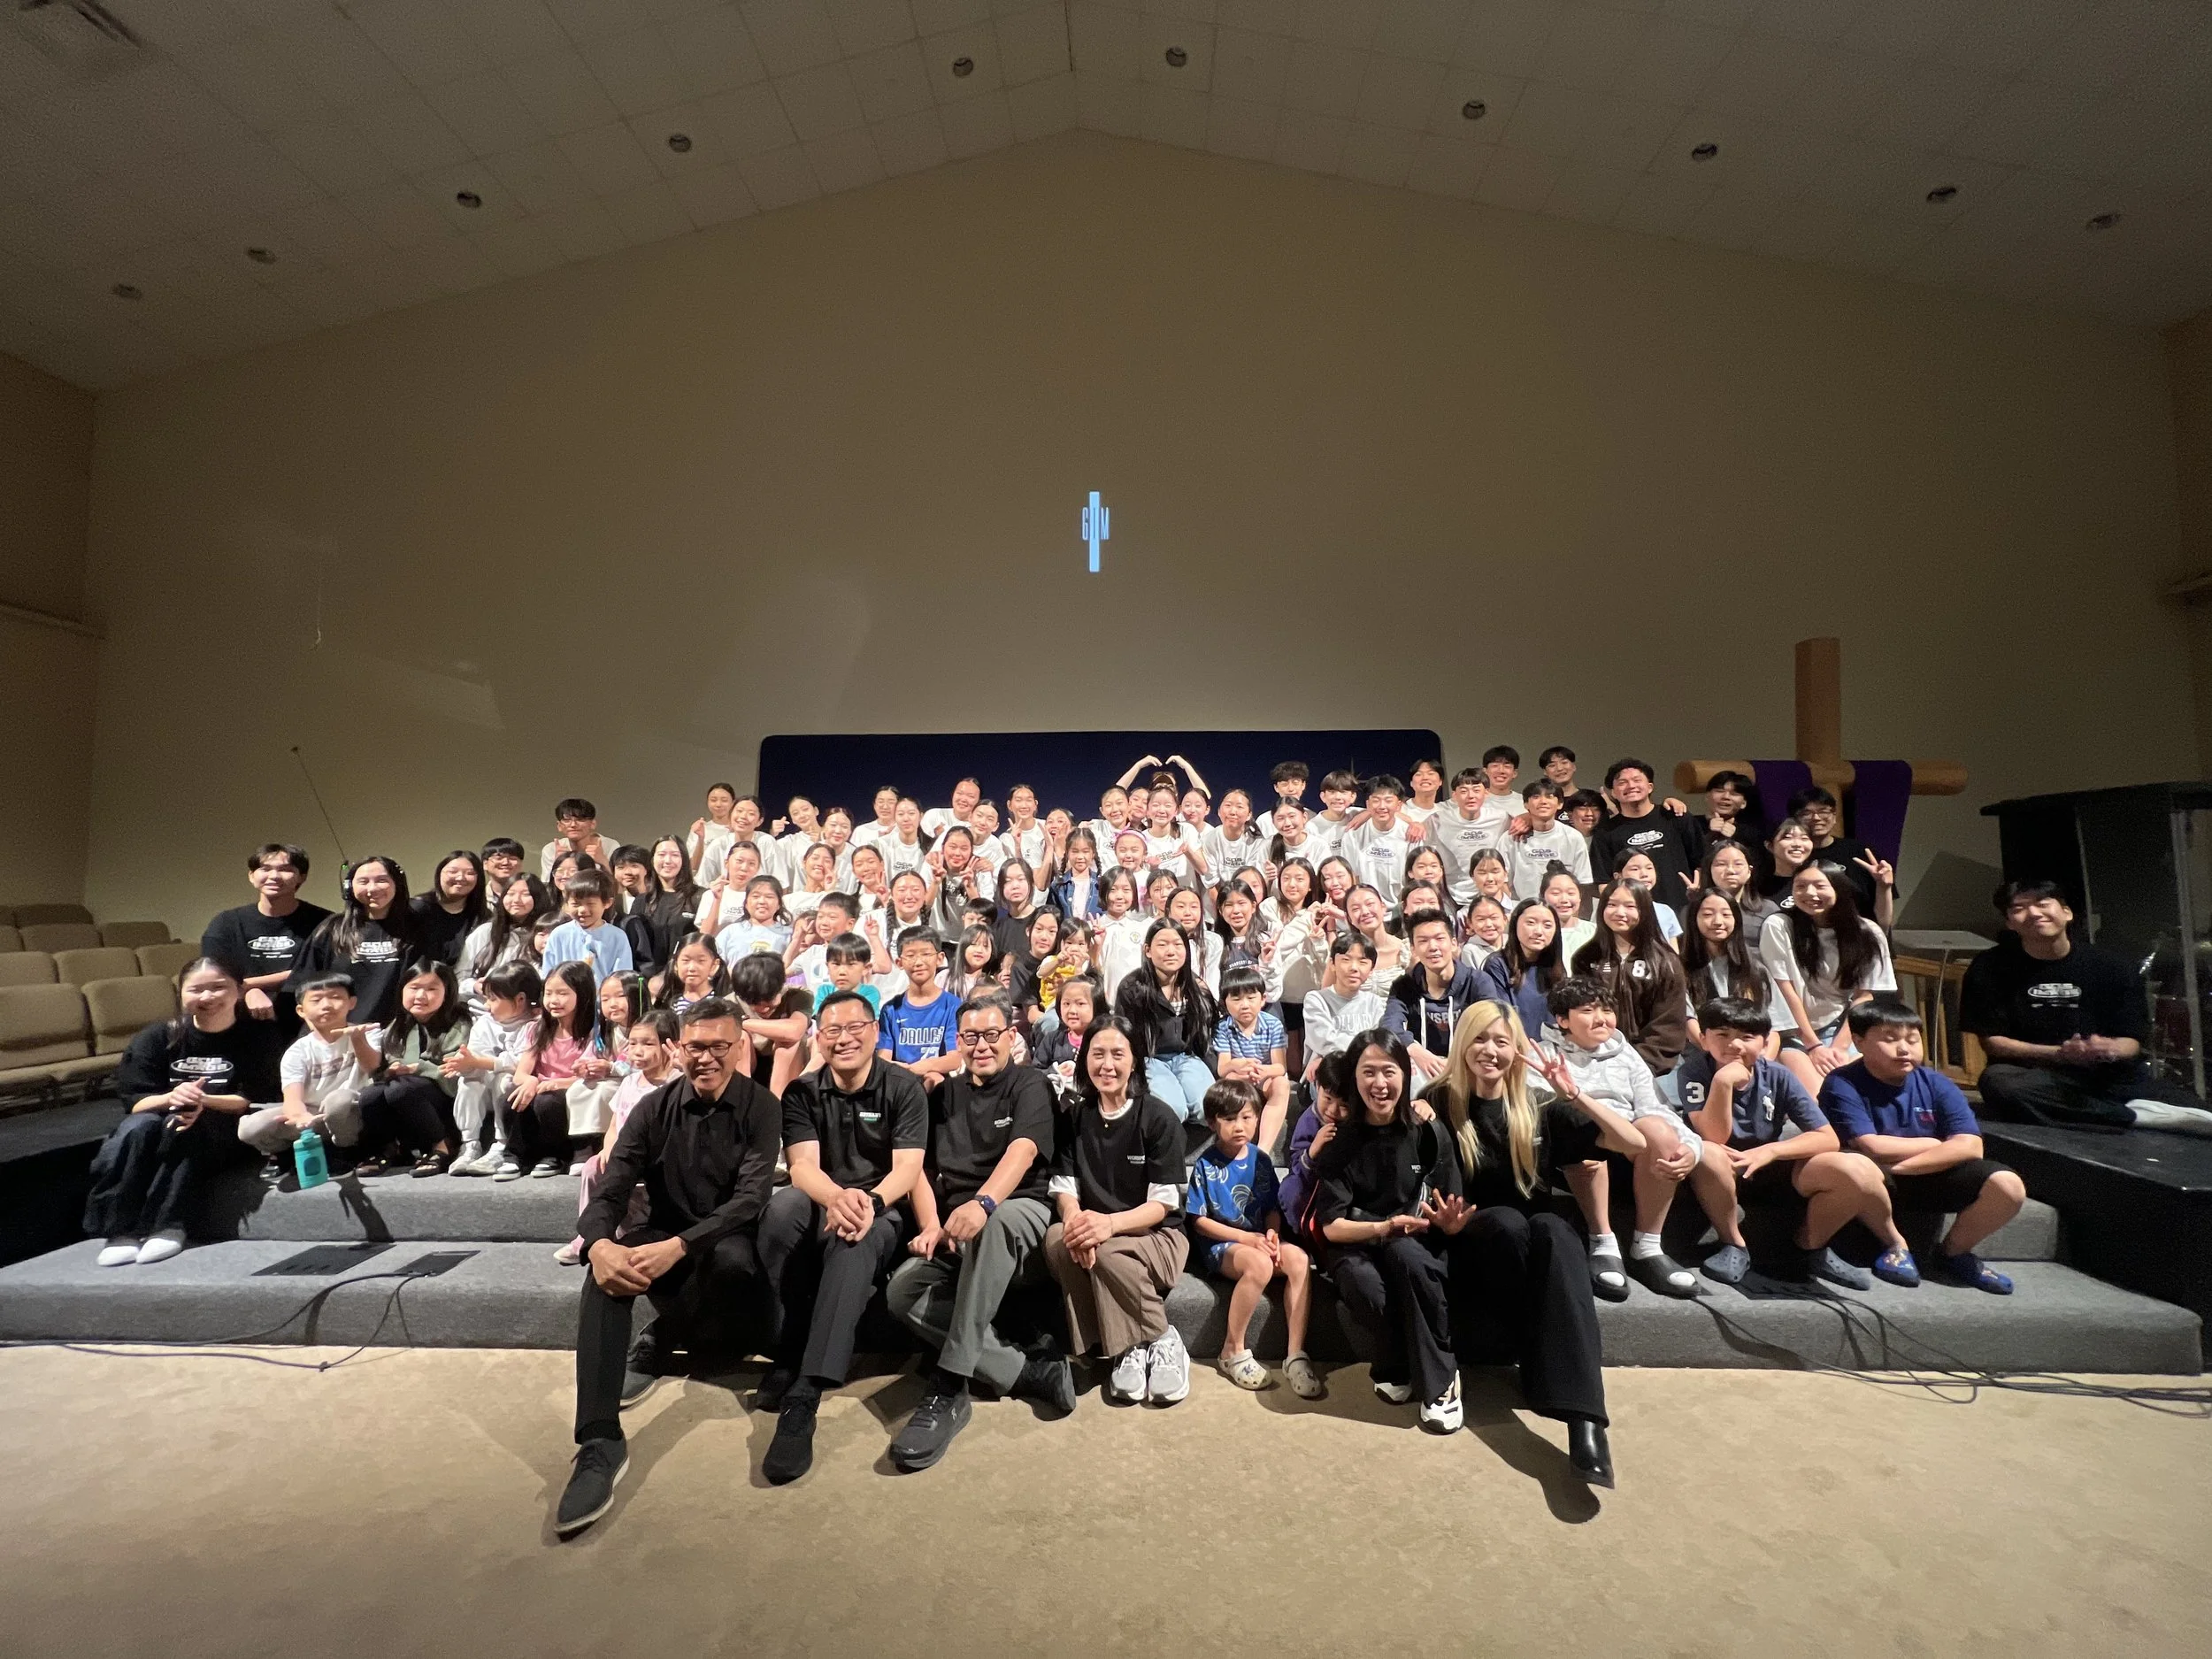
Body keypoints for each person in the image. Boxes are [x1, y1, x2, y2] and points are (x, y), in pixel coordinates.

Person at [556, 997, 782, 1536]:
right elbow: (611, 1190)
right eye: (696, 1047)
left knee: (729, 1260)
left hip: (731, 1244)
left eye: (720, 1046)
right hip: (667, 1239)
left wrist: (680, 1245)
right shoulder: (651, 1109)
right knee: (606, 1274)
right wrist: (598, 1245)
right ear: (678, 1049)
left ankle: (670, 1334)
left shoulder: (761, 1107)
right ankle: (599, 1440)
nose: (707, 1058)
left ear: (739, 1047)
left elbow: (749, 1200)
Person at [1426, 1001, 1642, 1486]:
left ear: (1517, 1049)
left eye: (1502, 1041)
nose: (1491, 1051)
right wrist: (1446, 1223)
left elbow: (1636, 1145)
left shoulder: (1538, 1104)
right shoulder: (1438, 1103)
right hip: (1472, 1244)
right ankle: (1540, 1358)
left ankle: (1586, 1422)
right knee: (1507, 1222)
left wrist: (1577, 1094)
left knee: (1558, 1231)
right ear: (1463, 1043)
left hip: (1532, 1248)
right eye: (1480, 1039)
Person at [885, 994, 1076, 1470]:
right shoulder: (941, 1095)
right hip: (954, 1225)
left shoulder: (1030, 1083)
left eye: (992, 1035)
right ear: (958, 1041)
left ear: (1012, 1038)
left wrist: (983, 1203)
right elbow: (920, 1171)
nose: (981, 1046)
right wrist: (931, 1225)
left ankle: (949, 1387)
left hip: (1019, 1212)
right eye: (970, 1037)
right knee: (903, 1289)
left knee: (996, 1226)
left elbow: (1025, 1150)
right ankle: (1023, 1371)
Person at [754, 988, 928, 1483]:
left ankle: (804, 1396)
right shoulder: (803, 1092)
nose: (845, 1038)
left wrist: (867, 1203)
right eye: (833, 1029)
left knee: (854, 1240)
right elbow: (802, 1165)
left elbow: (908, 1169)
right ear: (819, 1037)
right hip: (823, 1197)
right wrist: (837, 1198)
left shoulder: (903, 1086)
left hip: (883, 1206)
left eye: (856, 1028)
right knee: (779, 1211)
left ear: (875, 1033)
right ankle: (786, 1349)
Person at [1676, 997, 1898, 1286]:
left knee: (1854, 1169)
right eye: (1723, 1035)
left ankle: (1810, 1246)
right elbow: (1713, 1136)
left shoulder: (1778, 1075)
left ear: (1765, 1042)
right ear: (1704, 1040)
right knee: (1709, 1153)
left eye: (1747, 1037)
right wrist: (1722, 1083)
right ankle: (1733, 1244)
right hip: (1720, 1166)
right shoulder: (1694, 1071)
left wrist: (1771, 1151)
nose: (1735, 1045)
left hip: (1770, 1163)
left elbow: (1827, 1137)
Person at [1963, 879, 2212, 1136]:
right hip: (2037, 1076)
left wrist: (2110, 1048)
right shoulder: (1989, 967)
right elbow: (1993, 1042)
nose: (2034, 913)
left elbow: (2133, 1042)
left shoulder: (2113, 967)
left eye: (2043, 904)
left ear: (2067, 912)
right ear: (2010, 923)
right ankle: (2133, 1116)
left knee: (2202, 1115)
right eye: (2019, 908)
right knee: (1998, 1083)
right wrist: (2060, 1053)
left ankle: (2116, 1110)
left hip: (2111, 1077)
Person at [1310, 1029, 1463, 1432]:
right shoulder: (1341, 1142)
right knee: (1363, 1283)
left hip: (1414, 1242)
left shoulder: (1428, 1129)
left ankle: (1442, 1383)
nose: (1379, 1084)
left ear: (1406, 1074)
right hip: (1358, 1240)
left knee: (1407, 1256)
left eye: (1389, 1072)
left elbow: (1448, 1204)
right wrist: (1385, 1227)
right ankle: (1397, 1361)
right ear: (1354, 1079)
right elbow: (1331, 1228)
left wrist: (1447, 1223)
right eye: (1368, 1072)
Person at [1819, 1000, 2028, 1294]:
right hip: (1873, 1187)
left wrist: (1901, 1166)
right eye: (1890, 1039)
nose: (1904, 1048)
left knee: (2008, 1185)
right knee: (1858, 1169)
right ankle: (1895, 1245)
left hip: (1918, 1174)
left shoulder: (1936, 1082)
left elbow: (1970, 1146)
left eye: (1912, 1039)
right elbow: (1872, 1145)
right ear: (1859, 1042)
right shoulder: (1842, 1083)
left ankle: (1953, 1253)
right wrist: (1932, 1143)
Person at [86, 957, 282, 1266]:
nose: (207, 998)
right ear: (181, 993)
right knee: (137, 1129)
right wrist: (171, 1097)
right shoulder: (156, 1038)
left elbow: (252, 1099)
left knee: (184, 1128)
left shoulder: (258, 1037)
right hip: (162, 1117)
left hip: (225, 1128)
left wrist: (203, 1101)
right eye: (196, 990)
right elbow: (136, 1102)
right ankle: (120, 1230)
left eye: (218, 988)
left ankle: (168, 1224)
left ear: (240, 990)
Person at [1044, 1014, 1192, 1405]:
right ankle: (1104, 1348)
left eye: (1117, 1054)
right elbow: (1064, 1188)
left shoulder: (1158, 1118)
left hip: (1158, 1237)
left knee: (1105, 1250)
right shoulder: (1075, 1116)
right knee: (1059, 1239)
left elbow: (1164, 1204)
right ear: (1084, 1060)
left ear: (1135, 1061)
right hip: (1097, 1229)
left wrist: (1107, 1224)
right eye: (1097, 1054)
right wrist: (1076, 1222)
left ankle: (1159, 1336)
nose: (1106, 1065)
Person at [1543, 975, 1709, 1300]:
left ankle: (1647, 1246)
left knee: (1658, 1130)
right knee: (1580, 1129)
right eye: (1588, 1010)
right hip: (1578, 1154)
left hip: (1635, 1153)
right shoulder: (1546, 1054)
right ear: (1563, 1020)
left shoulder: (1624, 1052)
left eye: (1606, 1009)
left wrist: (1690, 1147)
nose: (1601, 1018)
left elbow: (1657, 1108)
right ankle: (1602, 1241)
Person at [1185, 1077, 1322, 1397]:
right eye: (1230, 1118)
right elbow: (1199, 1221)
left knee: (1299, 1260)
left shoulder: (1261, 1160)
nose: (1240, 1126)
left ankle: (1295, 1354)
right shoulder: (1205, 1164)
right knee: (1260, 1265)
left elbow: (1272, 1206)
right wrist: (1249, 1240)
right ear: (1212, 1122)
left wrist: (1273, 1233)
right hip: (1224, 1245)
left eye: (1247, 1117)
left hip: (1259, 1239)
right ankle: (1232, 1349)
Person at [557, 1006, 680, 1266]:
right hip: (626, 1157)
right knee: (593, 1168)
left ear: (670, 1045)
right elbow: (615, 1124)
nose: (638, 1050)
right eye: (633, 1043)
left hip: (659, 1159)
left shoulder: (677, 1084)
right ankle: (589, 1235)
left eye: (648, 1043)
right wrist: (608, 1150)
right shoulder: (629, 1083)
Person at [1759, 860, 1896, 1092]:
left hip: (1842, 1027)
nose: (1809, 893)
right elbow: (1786, 991)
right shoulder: (1779, 925)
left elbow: (1864, 996)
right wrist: (1813, 1046)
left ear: (1839, 889)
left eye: (1819, 886)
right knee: (1820, 1098)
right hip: (1791, 1032)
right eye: (1800, 886)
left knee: (1864, 1089)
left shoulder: (1867, 932)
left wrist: (1839, 1048)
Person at [238, 972, 376, 1169]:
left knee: (338, 1101)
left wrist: (358, 1039)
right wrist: (299, 1117)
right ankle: (286, 1153)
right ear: (301, 1010)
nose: (326, 1005)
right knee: (251, 1127)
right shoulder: (297, 1051)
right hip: (314, 1117)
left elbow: (372, 1066)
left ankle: (347, 1152)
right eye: (316, 1000)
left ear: (352, 1002)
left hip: (353, 1115)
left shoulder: (367, 1032)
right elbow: (292, 1098)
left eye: (336, 997)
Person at [350, 958, 470, 1176]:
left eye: (432, 989)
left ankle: (442, 1146)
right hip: (405, 1090)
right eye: (414, 988)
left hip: (445, 1098)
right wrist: (391, 1071)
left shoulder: (460, 1023)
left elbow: (454, 1074)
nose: (420, 996)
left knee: (402, 1088)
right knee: (370, 1095)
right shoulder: (398, 1026)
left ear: (448, 992)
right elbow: (381, 1070)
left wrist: (418, 1068)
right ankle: (388, 1149)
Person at [199, 843, 331, 1033]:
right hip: (239, 1019)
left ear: (302, 877)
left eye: (285, 869)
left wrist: (249, 985)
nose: (274, 876)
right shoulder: (225, 923)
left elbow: (323, 972)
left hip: (307, 1021)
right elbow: (213, 975)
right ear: (251, 876)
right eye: (265, 869)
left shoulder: (324, 922)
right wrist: (249, 992)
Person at [1571, 878, 1689, 1082]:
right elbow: (1583, 1015)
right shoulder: (1585, 958)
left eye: (1630, 906)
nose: (1620, 912)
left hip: (1655, 1068)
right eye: (1612, 905)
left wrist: (1636, 1067)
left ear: (1644, 911)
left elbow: (1668, 1025)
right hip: (1598, 1063)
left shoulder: (1665, 962)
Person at [497, 958, 597, 1179]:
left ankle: (555, 1156)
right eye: (549, 993)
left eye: (562, 993)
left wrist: (555, 1084)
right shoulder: (537, 1029)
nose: (553, 1000)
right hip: (542, 1088)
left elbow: (589, 1075)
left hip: (571, 1091)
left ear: (582, 994)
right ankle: (514, 1156)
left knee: (548, 1102)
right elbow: (521, 1073)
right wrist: (531, 1082)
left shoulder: (593, 1032)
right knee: (511, 1099)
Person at [288, 855, 414, 1026]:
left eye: (382, 880)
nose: (373, 888)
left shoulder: (415, 928)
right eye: (363, 882)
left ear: (397, 884)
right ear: (349, 888)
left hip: (397, 1034)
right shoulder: (331, 929)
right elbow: (304, 981)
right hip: (336, 1033)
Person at [1112, 918, 1216, 1122]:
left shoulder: (1195, 986)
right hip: (1150, 1059)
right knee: (1174, 1111)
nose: (1171, 951)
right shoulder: (1131, 987)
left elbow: (1208, 1029)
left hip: (1187, 1057)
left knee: (1209, 1108)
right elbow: (1123, 1035)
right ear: (1148, 951)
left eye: (1178, 944)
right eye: (1162, 944)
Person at [447, 962, 543, 1175]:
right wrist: (463, 1064)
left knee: (505, 1079)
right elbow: (474, 1058)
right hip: (486, 1085)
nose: (488, 1006)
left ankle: (501, 1144)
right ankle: (470, 1143)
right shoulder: (484, 1024)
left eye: (493, 999)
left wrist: (480, 1063)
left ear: (520, 1000)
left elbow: (520, 1063)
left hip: (517, 1089)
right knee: (468, 1082)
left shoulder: (535, 1023)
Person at [1381, 908, 1484, 1085]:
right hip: (1423, 1072)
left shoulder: (1477, 981)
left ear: (1454, 943)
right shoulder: (1404, 986)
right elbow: (1390, 1025)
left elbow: (1494, 1024)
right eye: (1423, 941)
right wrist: (1418, 1053)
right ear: (1413, 949)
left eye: (1439, 938)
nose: (1433, 947)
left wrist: (1459, 1063)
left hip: (1470, 1068)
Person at [1588, 759, 1703, 909]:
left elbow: (1702, 859)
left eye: (1637, 780)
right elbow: (1604, 882)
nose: (1631, 786)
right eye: (1622, 782)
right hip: (1636, 915)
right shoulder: (1605, 832)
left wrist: (1698, 888)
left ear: (1650, 787)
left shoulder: (1675, 817)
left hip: (1684, 909)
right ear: (1613, 793)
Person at [1210, 964, 1291, 1152]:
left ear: (1262, 1000)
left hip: (1264, 1077)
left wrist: (1261, 1070)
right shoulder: (1222, 1027)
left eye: (1251, 998)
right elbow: (1223, 1068)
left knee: (1282, 1084)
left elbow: (1280, 1067)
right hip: (1239, 1079)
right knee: (1229, 1080)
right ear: (1225, 1002)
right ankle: (1236, 1147)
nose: (1244, 1005)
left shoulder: (1273, 1024)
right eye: (1236, 999)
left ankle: (1263, 1149)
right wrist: (1237, 1065)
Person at [879, 929, 964, 1088]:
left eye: (925, 954)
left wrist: (919, 1068)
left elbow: (954, 1058)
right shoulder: (890, 1009)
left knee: (935, 1079)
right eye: (910, 956)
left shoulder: (953, 1005)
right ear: (899, 963)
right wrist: (906, 1071)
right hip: (898, 1080)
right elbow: (883, 1058)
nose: (918, 962)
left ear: (940, 958)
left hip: (936, 1079)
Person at [1477, 898, 1568, 1041]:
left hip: (1552, 1050)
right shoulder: (1497, 965)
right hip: (1516, 1048)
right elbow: (1500, 1017)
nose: (1539, 931)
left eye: (1547, 925)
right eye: (1531, 923)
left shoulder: (1556, 967)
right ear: (1515, 924)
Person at [458, 873, 552, 1010]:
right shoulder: (486, 932)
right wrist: (474, 986)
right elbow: (459, 976)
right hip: (481, 1013)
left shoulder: (546, 935)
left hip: (529, 1016)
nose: (517, 900)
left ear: (538, 898)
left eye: (525, 894)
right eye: (510, 893)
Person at [1302, 933, 1386, 1075]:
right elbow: (1324, 1041)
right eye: (1346, 960)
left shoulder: (1374, 1002)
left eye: (1363, 962)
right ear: (1332, 964)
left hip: (1366, 1070)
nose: (1354, 967)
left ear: (1371, 970)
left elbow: (1381, 1041)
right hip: (1327, 1072)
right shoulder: (1316, 999)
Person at [542, 865, 636, 983]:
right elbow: (549, 974)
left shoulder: (617, 937)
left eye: (590, 904)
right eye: (576, 904)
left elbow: (622, 977)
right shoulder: (559, 934)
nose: (582, 910)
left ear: (607, 903)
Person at [1500, 779, 1590, 900]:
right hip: (1523, 910)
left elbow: (1582, 883)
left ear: (1560, 804)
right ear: (1526, 804)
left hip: (1561, 911)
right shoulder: (1511, 838)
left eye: (1550, 796)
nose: (1543, 801)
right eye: (1536, 797)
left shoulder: (1574, 838)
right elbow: (1501, 880)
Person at [1339, 775, 1412, 909]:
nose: (1382, 806)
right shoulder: (1353, 834)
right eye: (1376, 800)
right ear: (1367, 804)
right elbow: (1351, 877)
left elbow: (1415, 878)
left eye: (1388, 800)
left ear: (1399, 805)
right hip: (1366, 910)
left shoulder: (1410, 834)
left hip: (1401, 910)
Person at [408, 849, 488, 967]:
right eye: (453, 871)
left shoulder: (483, 917)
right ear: (439, 874)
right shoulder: (417, 909)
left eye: (470, 873)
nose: (461, 878)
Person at [541, 797, 621, 882]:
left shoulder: (610, 846)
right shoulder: (551, 849)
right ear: (559, 826)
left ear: (593, 824)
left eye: (580, 820)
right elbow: (546, 888)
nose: (573, 825)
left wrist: (603, 862)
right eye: (567, 820)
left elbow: (620, 887)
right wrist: (557, 864)